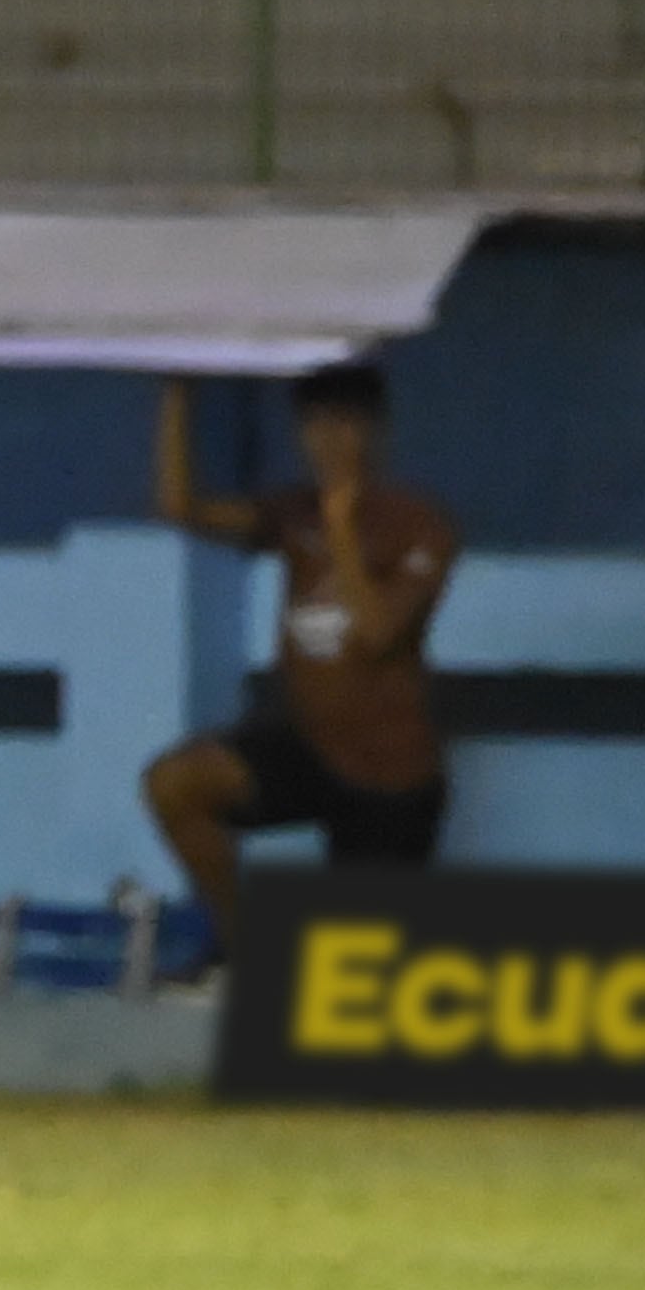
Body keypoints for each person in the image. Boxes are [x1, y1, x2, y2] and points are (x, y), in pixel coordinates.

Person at [141, 365, 458, 959]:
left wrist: (340, 525)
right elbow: (180, 506)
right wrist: (178, 391)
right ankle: (240, 949)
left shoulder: (422, 525)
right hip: (310, 748)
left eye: (345, 426)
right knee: (176, 784)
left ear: (376, 433)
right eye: (314, 427)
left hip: (391, 780)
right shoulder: (291, 512)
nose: (329, 443)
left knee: (354, 974)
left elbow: (378, 633)